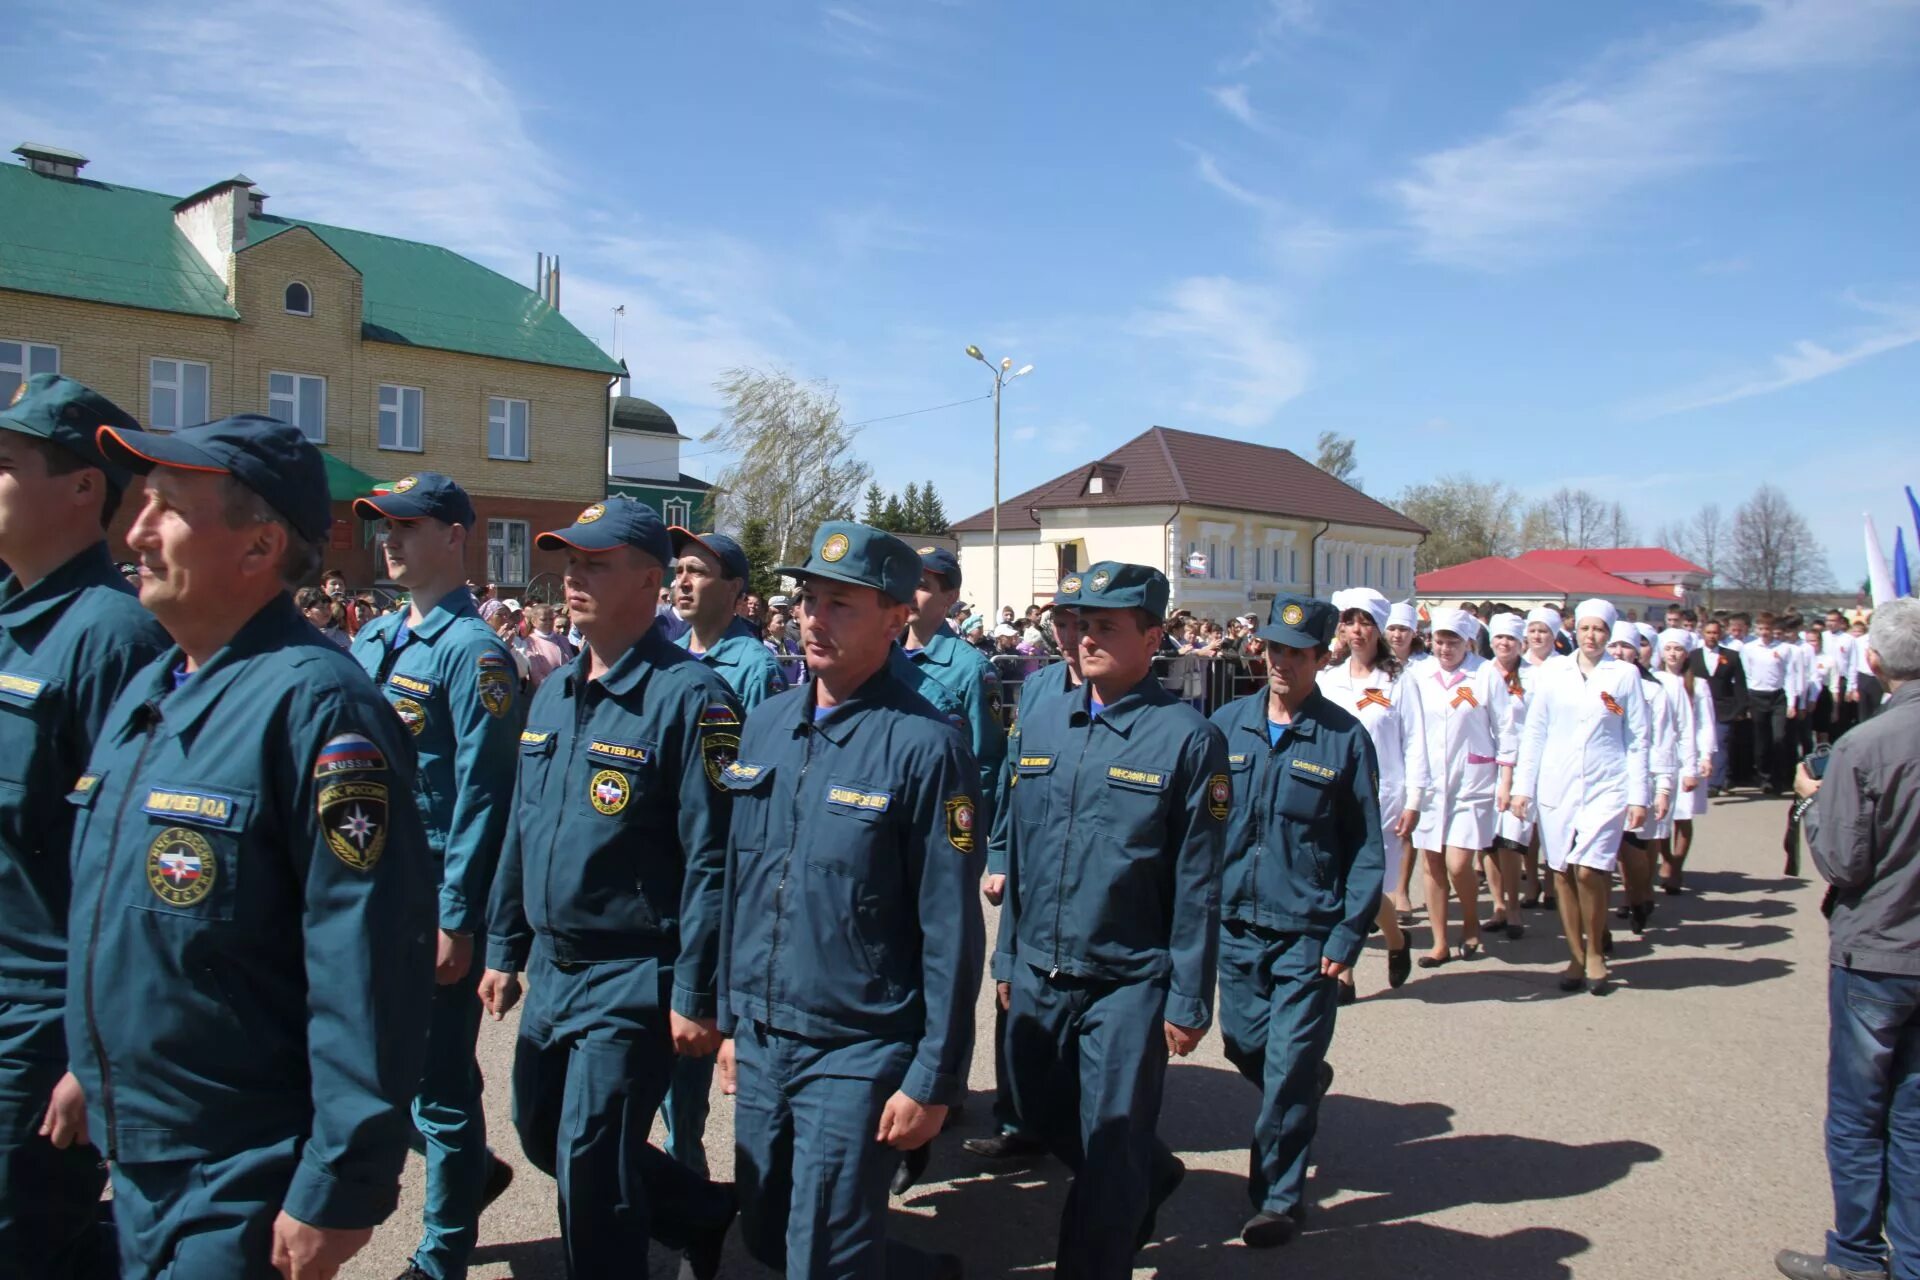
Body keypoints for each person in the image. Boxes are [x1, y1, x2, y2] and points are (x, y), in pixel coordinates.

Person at [70, 414, 432, 1278]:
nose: (135, 532)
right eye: (142, 506)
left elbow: (367, 959)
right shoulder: (156, 689)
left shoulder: (318, 707)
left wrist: (339, 1183)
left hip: (241, 1168)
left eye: (167, 509)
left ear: (259, 545)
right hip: (143, 1149)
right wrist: (92, 1059)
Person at [477, 498, 739, 1280]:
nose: (572, 578)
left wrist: (696, 992)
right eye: (571, 563)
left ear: (651, 580)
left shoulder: (694, 698)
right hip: (556, 966)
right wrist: (502, 945)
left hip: (633, 970)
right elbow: (523, 827)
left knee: (593, 1169)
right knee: (539, 1128)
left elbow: (714, 857)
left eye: (596, 563)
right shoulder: (555, 691)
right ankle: (702, 1211)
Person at [714, 521, 979, 1279]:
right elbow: (742, 881)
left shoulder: (927, 746)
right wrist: (732, 1019)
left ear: (897, 619)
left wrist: (933, 1076)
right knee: (766, 1229)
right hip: (765, 1034)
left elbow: (951, 928)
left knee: (824, 1253)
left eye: (841, 604)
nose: (813, 618)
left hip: (857, 1044)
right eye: (808, 599)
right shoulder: (766, 725)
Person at [995, 561, 1227, 1277]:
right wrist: (1007, 958)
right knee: (1035, 1108)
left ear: (1152, 636)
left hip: (1129, 978)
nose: (1084, 639)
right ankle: (1148, 1173)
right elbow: (1026, 852)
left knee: (1109, 1144)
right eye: (1079, 624)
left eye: (1106, 626)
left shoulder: (1187, 739)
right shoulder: (1041, 719)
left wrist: (1188, 997)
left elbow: (1198, 881)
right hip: (1038, 965)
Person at [0, 376, 170, 1277]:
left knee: (26, 1237)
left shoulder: (113, 637)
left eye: (5, 464)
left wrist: (87, 1052)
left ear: (80, 488)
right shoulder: (13, 615)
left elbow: (132, 870)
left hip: (40, 1022)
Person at [350, 472, 521, 1280]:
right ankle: (473, 1173)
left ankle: (442, 1253)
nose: (390, 539)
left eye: (408, 526)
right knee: (365, 1069)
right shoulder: (376, 637)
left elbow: (484, 796)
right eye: (383, 526)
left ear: (455, 537)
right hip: (363, 895)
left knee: (439, 1086)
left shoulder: (474, 653)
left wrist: (460, 916)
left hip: (427, 902)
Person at [1211, 594, 1384, 1247]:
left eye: (1297, 653)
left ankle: (1277, 1200)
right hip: (1235, 923)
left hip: (1308, 930)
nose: (1282, 663)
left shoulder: (1344, 738)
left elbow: (1368, 848)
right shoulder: (1226, 725)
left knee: (1283, 1070)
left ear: (1321, 656)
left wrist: (1348, 932)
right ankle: (1309, 1079)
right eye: (1274, 650)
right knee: (1243, 1044)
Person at [1775, 596, 1920, 1280]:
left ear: (1872, 660)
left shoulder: (1865, 746)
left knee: (1861, 1114)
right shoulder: (1868, 742)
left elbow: (1842, 861)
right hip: (1894, 948)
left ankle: (1860, 1253)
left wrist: (1809, 798)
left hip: (1879, 952)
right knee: (1914, 1116)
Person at [661, 527, 787, 1179]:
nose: (682, 580)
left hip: (728, 869)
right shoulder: (669, 651)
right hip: (674, 867)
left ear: (736, 591)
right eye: (678, 569)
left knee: (713, 1029)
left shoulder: (755, 666)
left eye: (699, 572)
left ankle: (722, 1181)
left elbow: (763, 776)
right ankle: (686, 1168)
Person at [966, 579, 1085, 1167]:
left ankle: (1075, 1124)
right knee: (1010, 987)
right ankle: (1015, 1120)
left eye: (1079, 622)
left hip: (1084, 871)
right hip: (1028, 865)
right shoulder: (1037, 687)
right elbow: (1015, 777)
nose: (1068, 636)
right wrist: (997, 855)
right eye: (1060, 622)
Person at [1510, 599, 1650, 994]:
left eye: (1600, 630)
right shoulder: (1554, 671)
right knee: (1562, 872)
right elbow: (1535, 732)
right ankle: (1576, 953)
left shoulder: (1623, 676)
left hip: (1607, 785)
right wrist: (1524, 788)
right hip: (1558, 785)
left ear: (1610, 635)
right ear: (1575, 632)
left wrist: (1639, 796)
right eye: (1586, 629)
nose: (1592, 636)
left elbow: (1637, 738)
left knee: (1590, 870)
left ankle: (1596, 952)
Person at [1315, 587, 1426, 995]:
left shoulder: (1399, 680)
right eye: (1350, 622)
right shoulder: (1328, 680)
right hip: (1334, 793)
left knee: (1365, 885)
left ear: (1378, 629)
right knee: (1343, 882)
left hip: (1384, 796)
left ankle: (1362, 958)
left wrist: (1415, 800)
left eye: (1365, 623)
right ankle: (1375, 953)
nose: (1357, 631)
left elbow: (1415, 743)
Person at [1409, 609, 1511, 967]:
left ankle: (1470, 920)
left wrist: (1507, 779)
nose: (1445, 648)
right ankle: (1439, 942)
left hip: (1472, 781)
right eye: (1439, 640)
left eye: (1453, 641)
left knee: (1457, 862)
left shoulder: (1485, 674)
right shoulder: (1419, 673)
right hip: (1430, 782)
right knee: (1432, 861)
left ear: (1468, 641)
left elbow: (1506, 730)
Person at [1611, 622, 1677, 936]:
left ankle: (1638, 897)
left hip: (1640, 779)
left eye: (1625, 646)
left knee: (1634, 849)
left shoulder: (1653, 692)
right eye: (1614, 645)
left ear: (1637, 650)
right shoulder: (1594, 687)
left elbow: (1663, 742)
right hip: (1602, 778)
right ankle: (1599, 929)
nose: (1618, 652)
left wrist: (1663, 786)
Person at [1483, 612, 1532, 939]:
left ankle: (1514, 908)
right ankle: (1497, 905)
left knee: (1511, 842)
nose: (1504, 644)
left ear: (1520, 643)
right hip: (1485, 765)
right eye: (1499, 638)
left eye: (1510, 639)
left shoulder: (1534, 677)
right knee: (1488, 841)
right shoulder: (1481, 673)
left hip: (1520, 766)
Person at [1656, 629, 1717, 896]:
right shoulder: (1654, 680)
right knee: (1661, 815)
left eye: (1678, 649)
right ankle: (1665, 858)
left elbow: (1705, 723)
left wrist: (1705, 756)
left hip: (1688, 754)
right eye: (1668, 648)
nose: (1672, 654)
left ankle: (1677, 864)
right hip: (1663, 754)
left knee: (1684, 813)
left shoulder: (1698, 684)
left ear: (1686, 653)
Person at [1743, 612, 1800, 794]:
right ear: (1756, 630)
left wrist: (1792, 702)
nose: (1764, 632)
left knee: (1779, 738)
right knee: (1761, 741)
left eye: (1767, 628)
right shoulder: (1749, 648)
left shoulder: (1784, 649)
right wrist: (1747, 703)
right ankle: (1764, 777)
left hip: (1778, 697)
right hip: (1757, 696)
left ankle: (1779, 778)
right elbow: (1746, 675)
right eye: (1761, 628)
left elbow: (1790, 675)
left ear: (1773, 629)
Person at [1690, 618, 1747, 796]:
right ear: (1703, 634)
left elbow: (1740, 683)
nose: (1712, 636)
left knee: (1720, 743)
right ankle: (1700, 777)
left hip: (1723, 707)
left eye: (1715, 632)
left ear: (1720, 634)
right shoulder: (1693, 656)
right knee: (1701, 741)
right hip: (1699, 706)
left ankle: (1716, 783)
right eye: (1709, 632)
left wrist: (1741, 707)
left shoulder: (1730, 656)